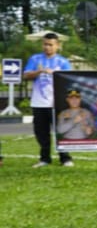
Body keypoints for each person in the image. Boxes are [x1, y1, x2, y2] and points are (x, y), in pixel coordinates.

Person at [23, 32, 74, 167]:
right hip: (38, 102)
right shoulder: (35, 59)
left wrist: (55, 74)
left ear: (57, 45)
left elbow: (69, 80)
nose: (47, 47)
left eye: (50, 45)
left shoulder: (63, 61)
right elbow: (26, 75)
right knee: (41, 132)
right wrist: (39, 72)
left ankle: (66, 158)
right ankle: (44, 158)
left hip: (57, 103)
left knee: (61, 130)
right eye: (45, 44)